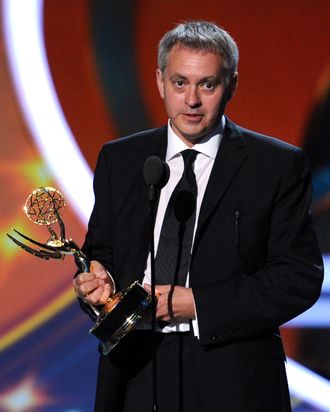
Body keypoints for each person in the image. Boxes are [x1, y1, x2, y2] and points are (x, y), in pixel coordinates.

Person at [72, 21, 324, 411]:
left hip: (232, 374)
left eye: (207, 84)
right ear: (159, 81)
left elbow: (297, 278)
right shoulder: (120, 160)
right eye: (179, 83)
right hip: (135, 368)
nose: (191, 100)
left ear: (232, 85)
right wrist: (92, 286)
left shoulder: (274, 165)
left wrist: (197, 304)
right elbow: (100, 252)